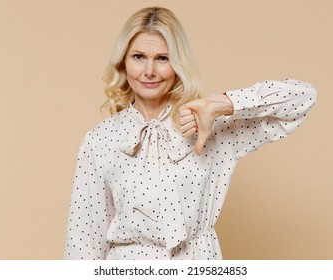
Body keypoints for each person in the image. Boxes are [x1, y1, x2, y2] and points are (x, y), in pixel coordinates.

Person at [64, 6, 316, 260]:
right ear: (123, 62)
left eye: (163, 58)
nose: (149, 71)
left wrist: (221, 105)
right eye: (139, 57)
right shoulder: (101, 139)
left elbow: (303, 98)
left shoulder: (211, 126)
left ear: (178, 63)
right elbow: (83, 242)